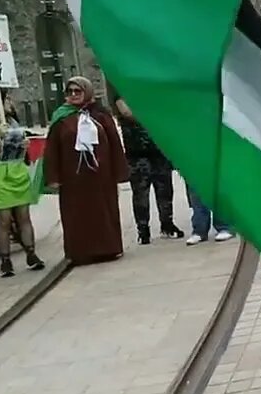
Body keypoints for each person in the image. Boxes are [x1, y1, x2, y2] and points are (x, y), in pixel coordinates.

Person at [44, 77, 128, 265]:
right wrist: (53, 177)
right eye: (70, 92)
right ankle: (81, 252)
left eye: (77, 91)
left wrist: (119, 171)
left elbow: (114, 142)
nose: (73, 95)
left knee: (104, 212)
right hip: (73, 179)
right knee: (77, 216)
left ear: (87, 92)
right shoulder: (61, 117)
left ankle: (109, 248)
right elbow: (52, 150)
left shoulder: (100, 115)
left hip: (101, 177)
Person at [0, 88, 45, 277]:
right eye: (6, 98)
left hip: (17, 172)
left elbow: (25, 155)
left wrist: (24, 147)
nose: (10, 102)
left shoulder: (14, 122)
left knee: (24, 217)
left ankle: (31, 253)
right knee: (4, 220)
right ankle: (6, 261)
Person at [114, 94, 182, 244]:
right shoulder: (123, 91)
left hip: (159, 151)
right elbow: (127, 112)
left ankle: (167, 224)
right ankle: (143, 229)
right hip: (137, 154)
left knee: (165, 190)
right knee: (140, 194)